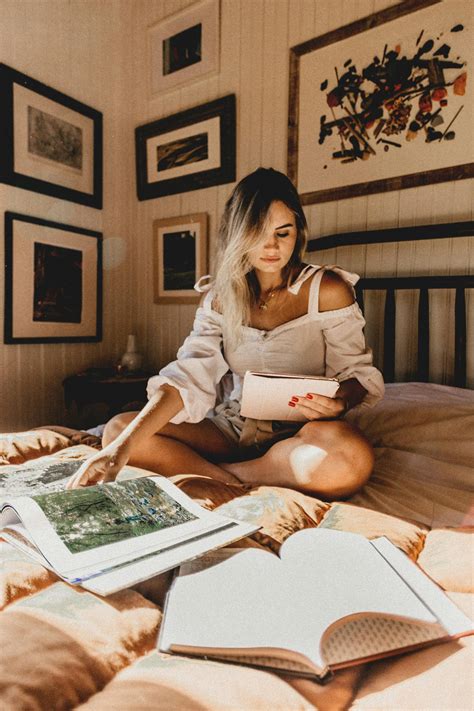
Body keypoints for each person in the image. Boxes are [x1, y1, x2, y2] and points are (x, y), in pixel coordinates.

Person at [68, 168, 384, 498]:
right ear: (237, 234)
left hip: (302, 436)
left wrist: (338, 402)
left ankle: (221, 477)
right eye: (257, 232)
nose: (271, 246)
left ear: (298, 234)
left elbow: (357, 377)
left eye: (283, 233)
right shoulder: (219, 299)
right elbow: (187, 378)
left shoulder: (328, 290)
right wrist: (123, 447)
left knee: (351, 458)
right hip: (233, 431)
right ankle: (238, 479)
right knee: (120, 430)